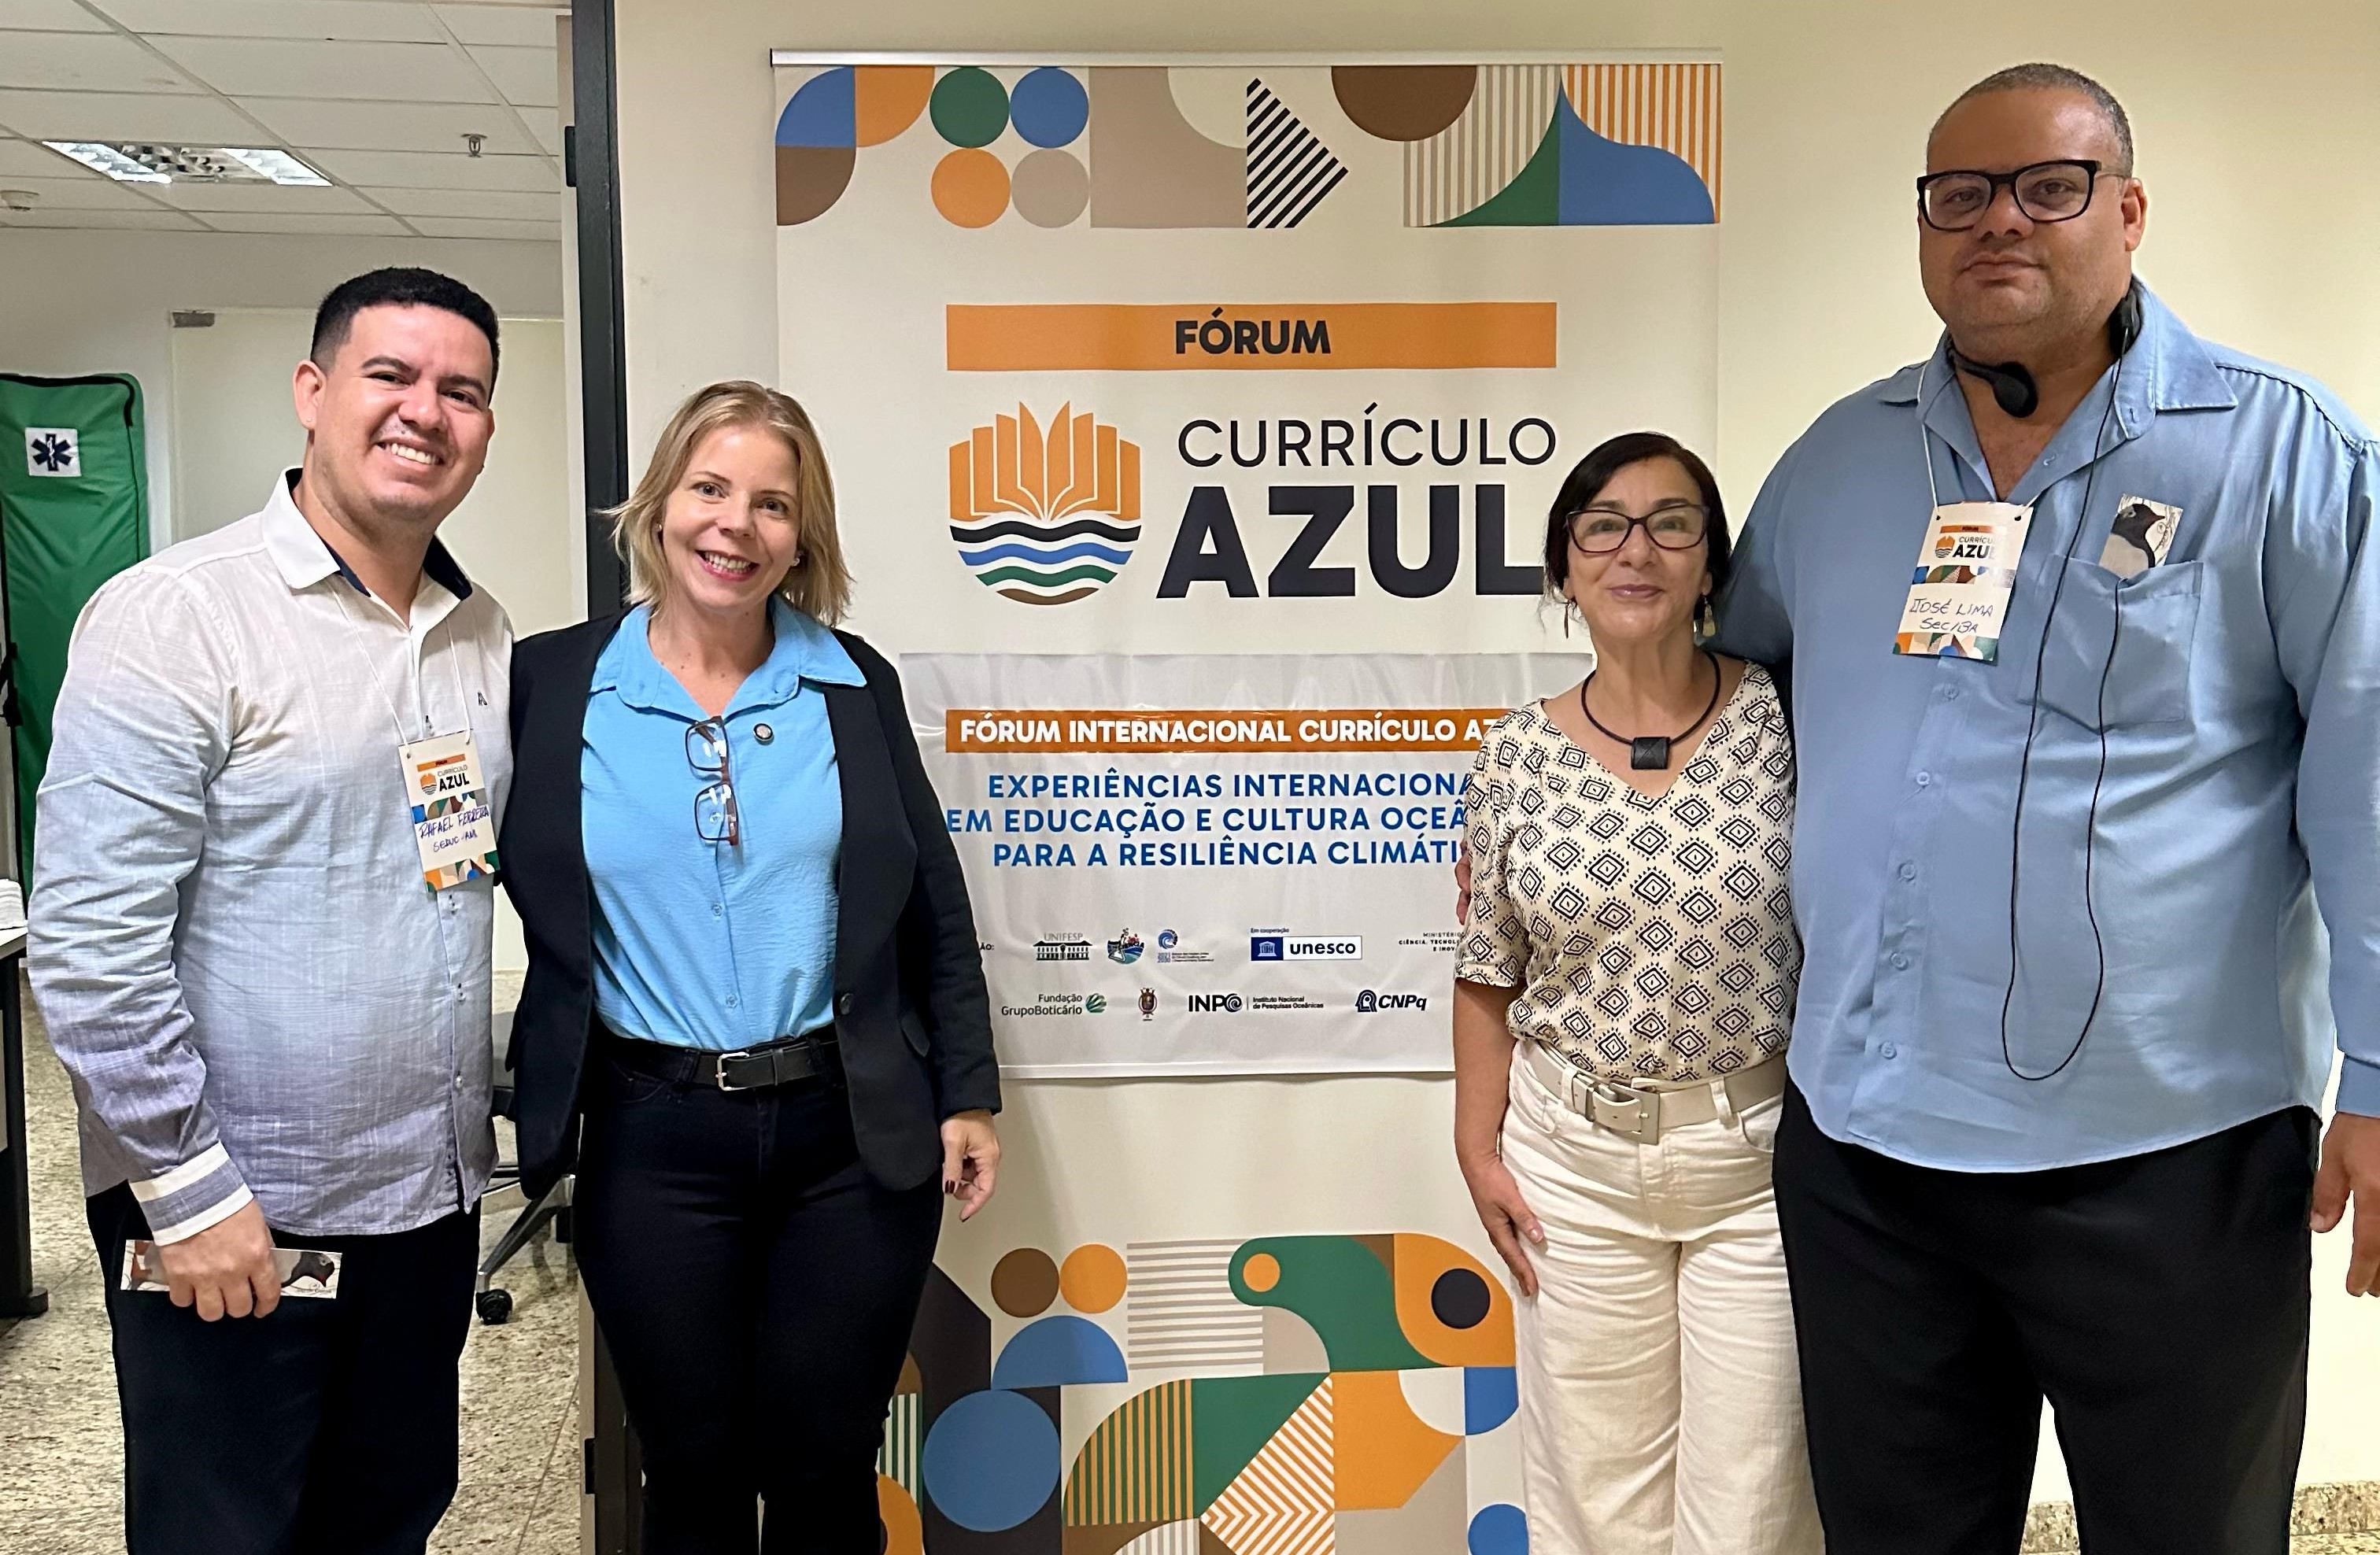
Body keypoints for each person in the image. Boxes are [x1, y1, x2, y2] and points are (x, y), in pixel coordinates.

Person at [1715, 63, 2380, 1553]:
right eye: (1959, 194)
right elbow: (1729, 715)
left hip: (2170, 1156)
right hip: (1868, 1151)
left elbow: (2371, 779)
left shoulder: (2283, 453)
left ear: (2129, 213)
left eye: (2049, 187)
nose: (1998, 220)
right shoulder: (1837, 464)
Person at [31, 268, 510, 1553]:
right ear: (312, 391)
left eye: (462, 391)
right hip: (238, 1208)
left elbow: (450, 877)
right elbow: (91, 943)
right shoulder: (178, 617)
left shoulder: (477, 630)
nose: (426, 412)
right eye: (389, 375)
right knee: (225, 1532)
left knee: (387, 1518)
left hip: (425, 1201)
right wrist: (184, 1191)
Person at [500, 380, 1002, 1553]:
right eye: (710, 489)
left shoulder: (851, 683)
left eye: (773, 504)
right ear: (657, 505)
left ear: (802, 535)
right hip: (651, 1133)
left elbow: (930, 896)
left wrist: (968, 1089)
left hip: (848, 1137)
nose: (736, 526)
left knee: (825, 1471)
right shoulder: (549, 684)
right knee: (692, 1474)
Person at [1455, 432, 1819, 1555]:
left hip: (1757, 1162)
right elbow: (1486, 965)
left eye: (1672, 523)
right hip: (1571, 1161)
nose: (1636, 550)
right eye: (1603, 525)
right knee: (1595, 1496)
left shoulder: (1787, 722)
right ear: (1564, 567)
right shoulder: (1516, 755)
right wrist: (1477, 1148)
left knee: (1753, 1505)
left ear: (1711, 566)